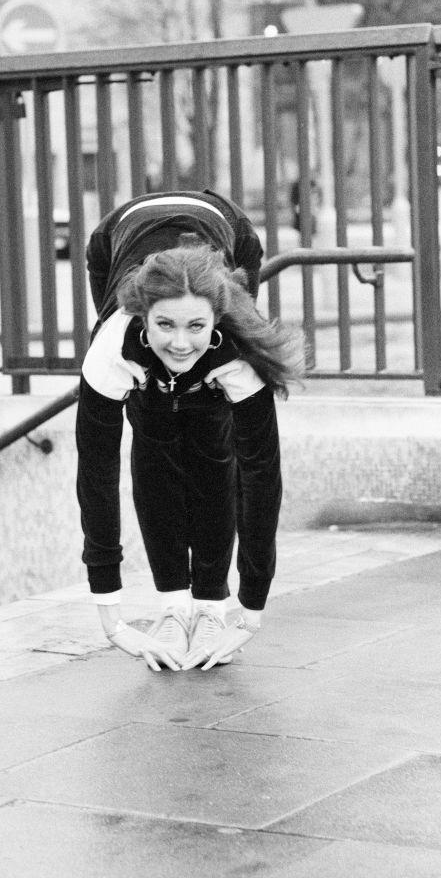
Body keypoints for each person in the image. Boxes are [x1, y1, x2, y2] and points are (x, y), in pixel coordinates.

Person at [76, 189, 302, 672]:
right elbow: (96, 473)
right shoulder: (113, 349)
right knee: (151, 421)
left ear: (217, 319)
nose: (180, 343)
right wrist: (112, 621)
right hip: (116, 236)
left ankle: (210, 608)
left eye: (196, 327)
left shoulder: (237, 352)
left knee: (211, 434)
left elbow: (262, 475)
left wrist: (250, 614)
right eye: (165, 326)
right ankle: (174, 606)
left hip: (229, 232)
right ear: (142, 316)